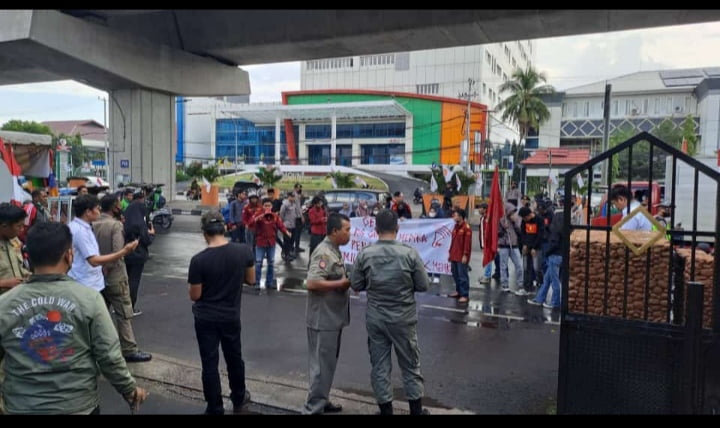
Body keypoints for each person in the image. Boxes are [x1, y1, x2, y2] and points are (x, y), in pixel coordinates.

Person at [0, 222, 148, 414]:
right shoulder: (89, 299)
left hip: (21, 406)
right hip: (78, 406)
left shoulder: (5, 304)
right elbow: (109, 356)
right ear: (69, 255)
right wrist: (129, 390)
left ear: (30, 256)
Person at [350, 209, 430, 415]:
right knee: (411, 364)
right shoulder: (409, 253)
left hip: (376, 317)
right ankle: (416, 411)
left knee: (379, 366)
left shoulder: (365, 253)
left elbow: (356, 284)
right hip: (403, 318)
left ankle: (386, 411)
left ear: (376, 229)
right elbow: (423, 285)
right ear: (397, 228)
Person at [188, 211, 255, 415]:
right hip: (231, 316)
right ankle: (239, 397)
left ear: (204, 232)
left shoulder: (199, 260)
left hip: (206, 318)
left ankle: (215, 406)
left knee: (210, 362)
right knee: (235, 357)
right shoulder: (243, 251)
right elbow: (251, 280)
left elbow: (195, 295)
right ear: (224, 228)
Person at [92, 195, 152, 363]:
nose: (121, 207)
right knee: (124, 315)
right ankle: (129, 349)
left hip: (96, 277)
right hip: (115, 276)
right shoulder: (115, 225)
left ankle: (98, 347)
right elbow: (118, 251)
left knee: (99, 315)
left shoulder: (93, 224)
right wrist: (110, 266)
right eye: (119, 205)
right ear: (114, 208)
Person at [302, 213, 351, 415]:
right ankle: (313, 408)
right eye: (346, 230)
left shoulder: (334, 251)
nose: (350, 234)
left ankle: (322, 399)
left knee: (327, 365)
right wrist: (341, 283)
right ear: (334, 231)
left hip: (332, 318)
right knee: (321, 367)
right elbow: (312, 283)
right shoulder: (324, 253)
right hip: (323, 319)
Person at [68, 195, 139, 295]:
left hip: (89, 281)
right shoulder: (80, 231)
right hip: (86, 284)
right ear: (88, 212)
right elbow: (93, 261)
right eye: (97, 208)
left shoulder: (83, 227)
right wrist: (124, 251)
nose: (99, 211)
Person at [0, 203, 30, 414]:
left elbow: (22, 269)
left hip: (16, 310)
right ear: (3, 225)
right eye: (18, 226)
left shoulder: (13, 241)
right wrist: (4, 283)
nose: (22, 230)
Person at [123, 196, 154, 315]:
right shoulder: (141, 224)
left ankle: (120, 306)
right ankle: (130, 307)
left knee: (124, 281)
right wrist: (152, 234)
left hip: (125, 254)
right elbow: (147, 241)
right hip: (138, 256)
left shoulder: (124, 223)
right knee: (134, 281)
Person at [252, 198, 291, 289]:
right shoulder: (258, 215)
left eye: (269, 206)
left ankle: (269, 282)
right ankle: (257, 282)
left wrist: (286, 232)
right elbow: (251, 224)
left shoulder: (275, 216)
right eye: (265, 206)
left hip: (271, 242)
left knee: (271, 263)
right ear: (262, 206)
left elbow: (281, 225)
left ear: (272, 206)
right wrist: (258, 218)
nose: (267, 207)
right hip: (260, 242)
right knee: (258, 263)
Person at [448, 208, 472, 303]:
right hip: (454, 254)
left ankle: (464, 295)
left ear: (461, 217)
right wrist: (450, 253)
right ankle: (458, 291)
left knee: (463, 276)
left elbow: (467, 243)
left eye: (456, 215)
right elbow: (453, 241)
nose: (454, 217)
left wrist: (465, 255)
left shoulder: (466, 228)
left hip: (461, 256)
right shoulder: (455, 227)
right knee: (455, 274)